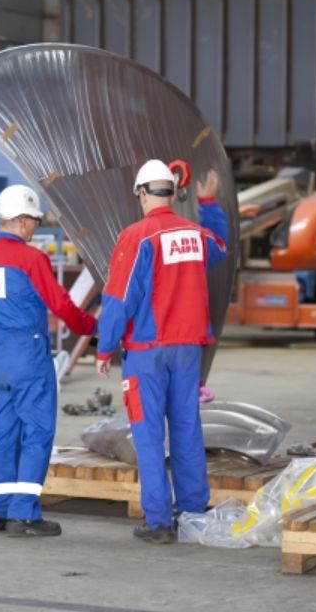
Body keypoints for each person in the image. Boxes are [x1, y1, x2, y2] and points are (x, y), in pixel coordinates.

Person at [0, 184, 96, 537]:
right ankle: (25, 514)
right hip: (27, 353)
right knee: (37, 432)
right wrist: (93, 327)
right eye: (34, 222)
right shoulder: (31, 259)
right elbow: (62, 305)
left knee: (1, 432)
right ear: (23, 220)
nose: (34, 228)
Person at [96, 159, 229, 544]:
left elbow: (119, 298)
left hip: (147, 353)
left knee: (149, 434)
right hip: (188, 350)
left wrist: (105, 348)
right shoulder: (195, 234)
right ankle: (191, 511)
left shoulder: (137, 237)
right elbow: (220, 245)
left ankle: (158, 522)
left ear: (141, 193)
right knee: (187, 429)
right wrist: (208, 202)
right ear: (173, 192)